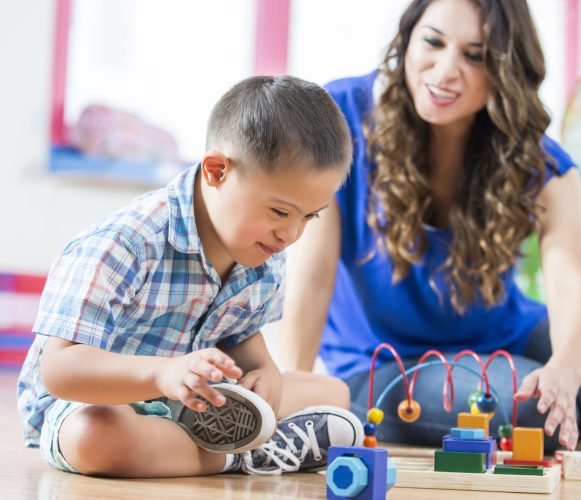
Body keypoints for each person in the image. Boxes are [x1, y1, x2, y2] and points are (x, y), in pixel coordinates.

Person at [281, 0, 581, 453]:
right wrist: (294, 394)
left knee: (573, 386)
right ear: (408, 37)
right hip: (381, 362)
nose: (446, 70)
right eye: (433, 42)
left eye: (475, 55)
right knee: (533, 410)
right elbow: (311, 278)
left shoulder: (536, 159)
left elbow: (570, 280)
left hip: (507, 334)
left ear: (506, 70)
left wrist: (566, 370)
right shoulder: (340, 116)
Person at [17, 75, 364, 478]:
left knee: (333, 393)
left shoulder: (264, 253)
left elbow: (242, 336)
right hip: (95, 404)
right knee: (95, 437)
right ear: (217, 171)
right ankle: (244, 457)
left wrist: (265, 373)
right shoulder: (127, 242)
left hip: (195, 403)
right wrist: (162, 374)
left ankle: (213, 445)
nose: (291, 235)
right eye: (280, 212)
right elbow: (59, 371)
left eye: (310, 216)